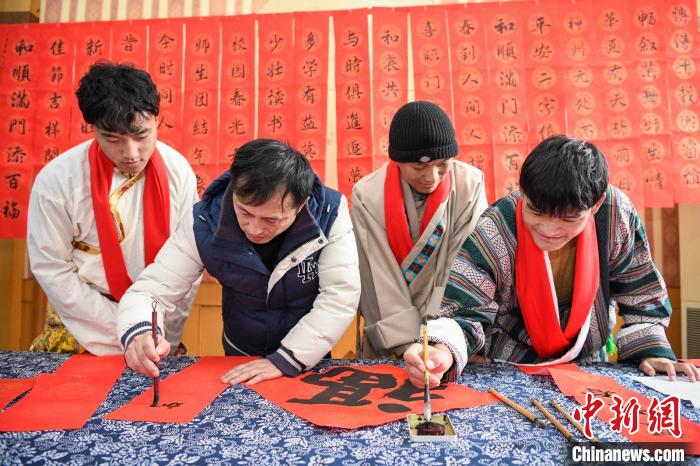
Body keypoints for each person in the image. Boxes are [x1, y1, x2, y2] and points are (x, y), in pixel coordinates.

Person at [404, 135, 699, 387]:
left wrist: (651, 351)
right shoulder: (496, 227)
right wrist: (442, 352)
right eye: (536, 211)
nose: (549, 229)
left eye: (569, 218)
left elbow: (640, 292)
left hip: (585, 363)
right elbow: (464, 309)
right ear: (523, 192)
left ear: (595, 205)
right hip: (508, 367)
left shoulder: (614, 214)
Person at [118, 138, 361, 385]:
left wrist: (286, 359)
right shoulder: (205, 221)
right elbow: (152, 291)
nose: (254, 229)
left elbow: (340, 295)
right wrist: (139, 331)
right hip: (240, 356)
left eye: (271, 220)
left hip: (307, 357)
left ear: (301, 205)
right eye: (244, 211)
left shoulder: (329, 214)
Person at [28, 61, 199, 355]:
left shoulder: (177, 171)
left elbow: (188, 258)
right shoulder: (58, 179)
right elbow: (52, 267)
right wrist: (124, 327)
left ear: (157, 120)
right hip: (84, 321)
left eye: (141, 135)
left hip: (158, 317)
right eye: (112, 139)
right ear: (93, 128)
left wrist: (161, 332)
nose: (131, 153)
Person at [351, 101, 487, 358]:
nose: (431, 176)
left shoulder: (469, 185)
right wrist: (408, 344)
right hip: (392, 334)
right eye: (418, 167)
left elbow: (464, 268)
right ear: (398, 161)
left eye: (442, 164)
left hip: (447, 335)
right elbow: (377, 275)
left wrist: (442, 340)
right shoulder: (368, 196)